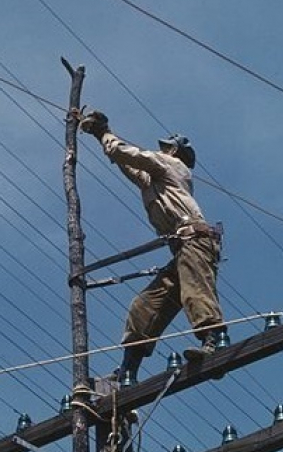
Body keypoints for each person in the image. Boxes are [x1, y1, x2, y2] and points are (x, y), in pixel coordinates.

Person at [79, 110, 226, 383]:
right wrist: (104, 138)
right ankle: (127, 370)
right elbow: (131, 167)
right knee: (145, 306)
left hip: (195, 240)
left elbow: (132, 156)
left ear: (174, 151)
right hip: (182, 246)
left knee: (195, 290)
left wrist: (103, 132)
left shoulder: (173, 166)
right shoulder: (159, 179)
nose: (162, 150)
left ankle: (214, 342)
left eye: (166, 148)